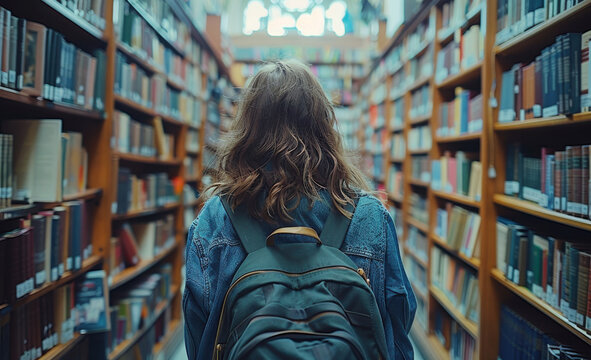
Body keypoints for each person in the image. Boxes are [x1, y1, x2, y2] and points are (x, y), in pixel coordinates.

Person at [183, 60, 416, 359]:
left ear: (247, 127)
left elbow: (198, 334)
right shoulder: (368, 216)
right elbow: (396, 327)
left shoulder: (214, 220)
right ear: (324, 125)